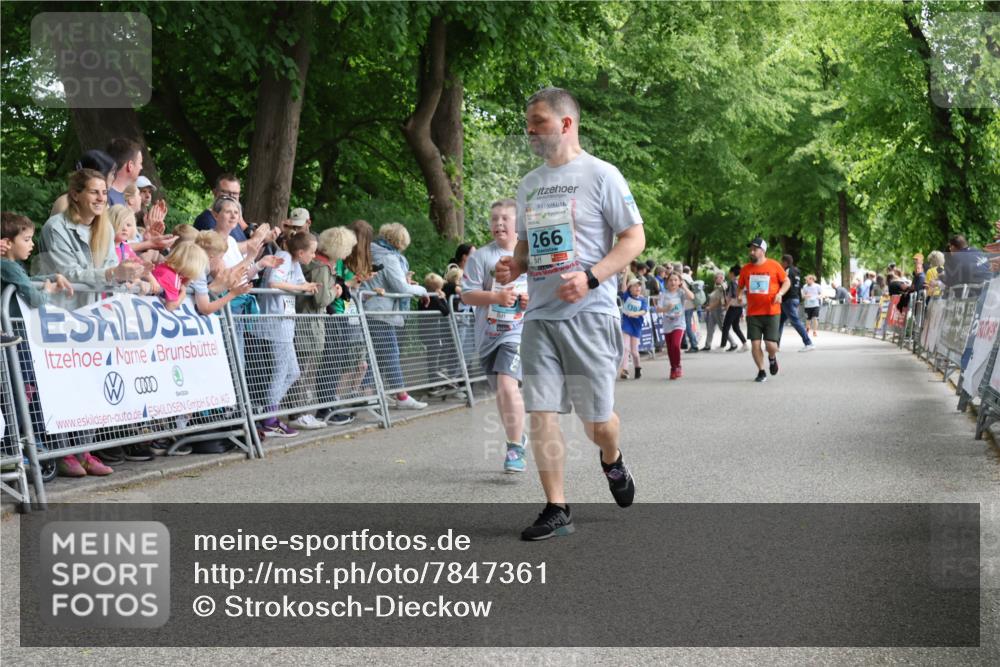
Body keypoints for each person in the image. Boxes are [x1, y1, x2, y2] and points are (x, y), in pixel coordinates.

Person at [493, 87, 645, 540]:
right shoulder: (529, 184)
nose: (530, 130)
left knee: (597, 423)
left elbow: (634, 239)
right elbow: (525, 249)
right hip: (540, 316)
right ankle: (556, 508)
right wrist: (514, 266)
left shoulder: (602, 175)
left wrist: (592, 277)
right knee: (540, 411)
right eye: (528, 123)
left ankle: (612, 458)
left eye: (538, 121)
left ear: (565, 123)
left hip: (590, 312)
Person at [461, 199, 531, 472]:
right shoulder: (481, 257)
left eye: (505, 218)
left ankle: (514, 449)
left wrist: (528, 301)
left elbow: (543, 291)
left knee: (506, 384)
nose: (499, 223)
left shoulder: (529, 256)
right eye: (494, 219)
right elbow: (467, 295)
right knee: (502, 392)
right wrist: (496, 297)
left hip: (518, 333)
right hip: (488, 336)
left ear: (518, 224)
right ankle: (517, 436)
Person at [258, 231, 320, 437]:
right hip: (276, 323)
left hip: (286, 325)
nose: (314, 256)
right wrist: (299, 287)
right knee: (281, 371)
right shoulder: (284, 257)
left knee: (293, 372)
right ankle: (269, 419)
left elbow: (301, 285)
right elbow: (274, 283)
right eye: (312, 252)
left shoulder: (295, 263)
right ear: (301, 252)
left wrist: (308, 287)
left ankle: (267, 410)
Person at [364, 223, 430, 410]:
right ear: (400, 241)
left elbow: (394, 283)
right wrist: (422, 290)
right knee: (391, 354)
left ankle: (368, 394)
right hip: (382, 313)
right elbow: (400, 288)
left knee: (377, 356)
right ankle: (401, 396)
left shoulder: (373, 252)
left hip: (372, 309)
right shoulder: (390, 258)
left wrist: (407, 283)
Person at [737, 237, 790, 383]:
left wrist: (780, 293)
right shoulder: (746, 269)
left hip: (772, 311)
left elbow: (786, 281)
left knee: (771, 345)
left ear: (763, 251)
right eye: (751, 249)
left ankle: (772, 358)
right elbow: (740, 286)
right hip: (753, 313)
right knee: (755, 344)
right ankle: (761, 371)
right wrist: (739, 295)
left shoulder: (774, 265)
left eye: (755, 249)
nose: (751, 252)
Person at [150, 241, 209, 311]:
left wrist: (187, 279)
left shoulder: (163, 265)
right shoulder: (174, 279)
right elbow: (170, 306)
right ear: (192, 268)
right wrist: (183, 294)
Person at [656, 271, 693, 379]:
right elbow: (658, 309)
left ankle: (677, 366)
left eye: (676, 280)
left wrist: (684, 287)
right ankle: (673, 368)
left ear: (679, 282)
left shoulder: (681, 293)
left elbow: (691, 297)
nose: (673, 282)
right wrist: (666, 308)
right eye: (671, 280)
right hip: (667, 323)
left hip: (679, 323)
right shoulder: (663, 294)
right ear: (667, 282)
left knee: (676, 345)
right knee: (670, 348)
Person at [194, 174, 249, 242]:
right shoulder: (206, 219)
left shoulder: (234, 219)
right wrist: (251, 243)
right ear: (215, 193)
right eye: (225, 193)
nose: (231, 197)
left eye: (235, 194)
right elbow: (217, 247)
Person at [778, 254, 814, 351]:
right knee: (780, 321)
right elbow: (799, 286)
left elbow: (785, 283)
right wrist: (799, 299)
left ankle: (808, 343)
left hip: (788, 299)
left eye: (781, 262)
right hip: (795, 298)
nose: (780, 264)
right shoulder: (797, 271)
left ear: (785, 262)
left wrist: (779, 293)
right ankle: (776, 345)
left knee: (795, 321)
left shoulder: (787, 271)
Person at [619, 278, 647, 379]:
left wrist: (634, 313)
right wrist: (625, 273)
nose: (637, 288)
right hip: (627, 324)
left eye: (639, 286)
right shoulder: (627, 296)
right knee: (625, 348)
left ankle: (638, 368)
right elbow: (623, 286)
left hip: (636, 326)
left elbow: (644, 311)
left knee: (634, 351)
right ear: (630, 288)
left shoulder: (643, 300)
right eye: (635, 286)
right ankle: (624, 370)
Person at [105, 138, 144, 207]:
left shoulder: (122, 198)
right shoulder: (106, 198)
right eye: (140, 163)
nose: (141, 167)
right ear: (130, 166)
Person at [721, 265, 749, 352]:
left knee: (726, 326)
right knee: (736, 327)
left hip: (733, 307)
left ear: (732, 273)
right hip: (739, 308)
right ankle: (745, 344)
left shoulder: (733, 282)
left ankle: (722, 346)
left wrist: (727, 306)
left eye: (730, 273)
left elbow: (733, 296)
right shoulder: (741, 281)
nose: (729, 274)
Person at [702, 271, 729, 351]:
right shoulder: (717, 286)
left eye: (720, 277)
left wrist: (710, 307)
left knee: (723, 328)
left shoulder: (723, 287)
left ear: (723, 278)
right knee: (710, 328)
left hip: (719, 311)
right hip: (713, 311)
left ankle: (733, 343)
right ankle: (707, 345)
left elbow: (720, 301)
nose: (717, 279)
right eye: (716, 277)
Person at [801, 274, 822, 339]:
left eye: (807, 280)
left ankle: (814, 331)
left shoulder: (817, 286)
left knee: (815, 317)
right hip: (808, 305)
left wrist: (819, 296)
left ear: (812, 279)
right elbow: (802, 296)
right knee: (808, 319)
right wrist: (806, 296)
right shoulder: (805, 286)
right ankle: (807, 328)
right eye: (806, 280)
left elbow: (821, 294)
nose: (806, 281)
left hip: (815, 304)